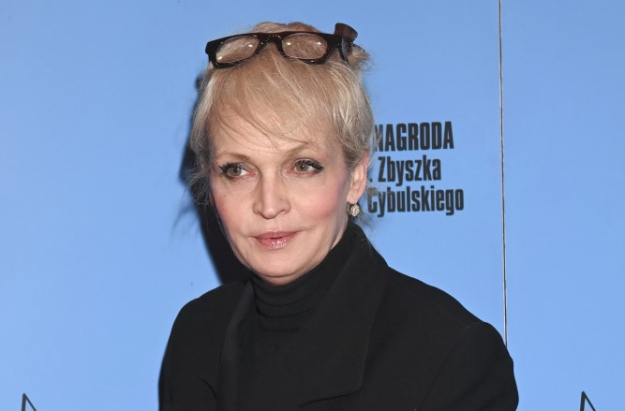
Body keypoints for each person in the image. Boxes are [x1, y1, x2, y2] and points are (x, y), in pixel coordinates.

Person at [159, 21, 518, 411]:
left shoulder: (449, 355)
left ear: (356, 176)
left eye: (303, 166)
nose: (269, 204)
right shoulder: (197, 338)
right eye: (238, 170)